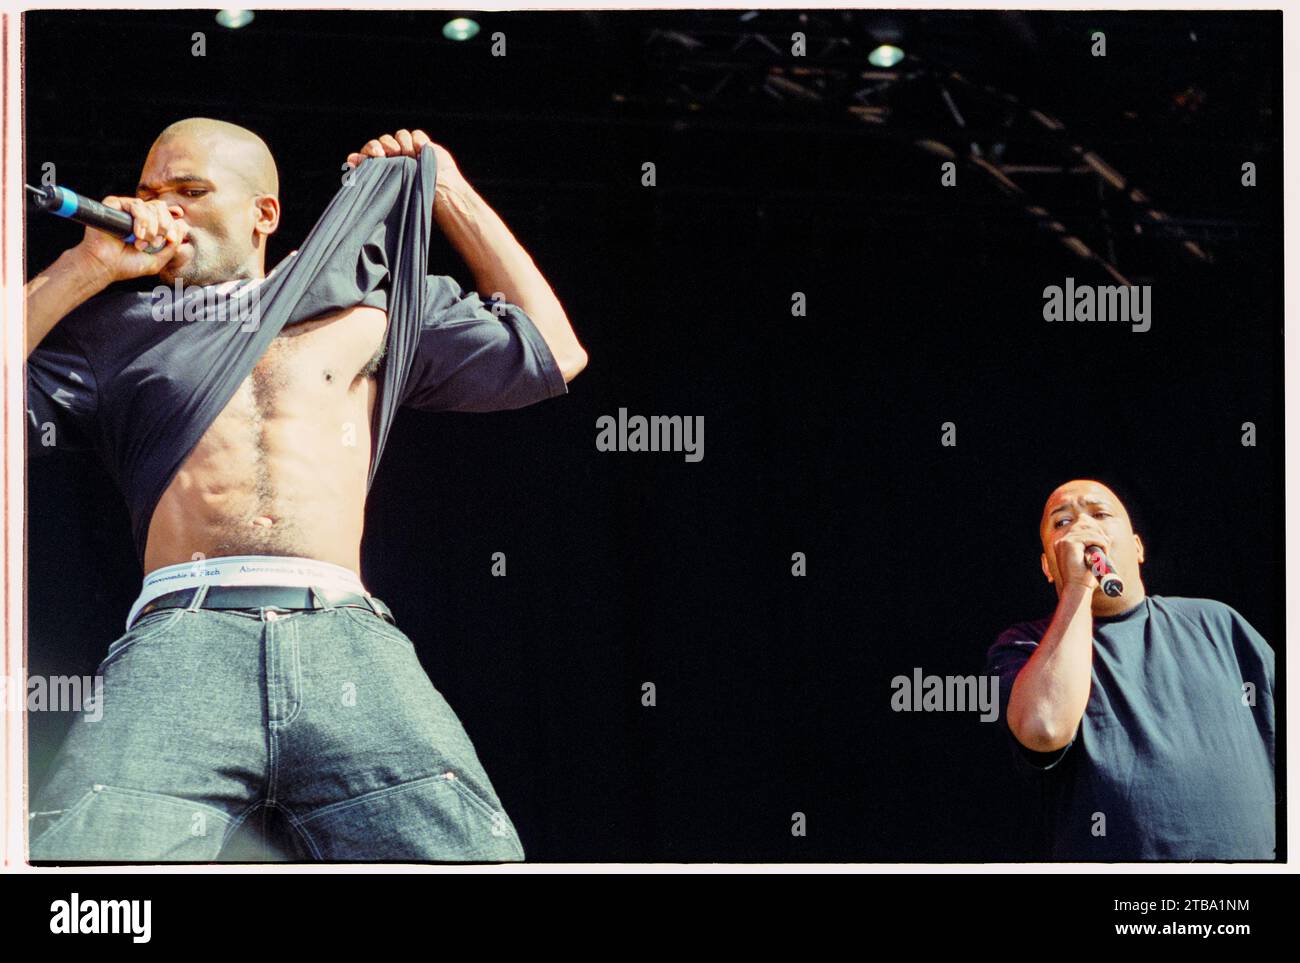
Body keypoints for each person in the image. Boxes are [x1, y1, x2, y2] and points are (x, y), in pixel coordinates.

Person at [25, 119, 587, 862]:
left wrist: (448, 189)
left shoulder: (366, 310)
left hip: (345, 634)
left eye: (191, 192)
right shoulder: (115, 328)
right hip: (182, 638)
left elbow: (554, 349)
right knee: (88, 871)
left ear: (264, 213)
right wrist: (86, 266)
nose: (166, 211)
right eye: (153, 194)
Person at [985, 479, 1274, 860]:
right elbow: (1045, 727)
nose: (1083, 527)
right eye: (1062, 522)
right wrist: (1078, 588)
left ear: (1137, 548)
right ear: (1048, 566)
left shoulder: (1216, 622)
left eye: (1100, 514)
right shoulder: (1025, 646)